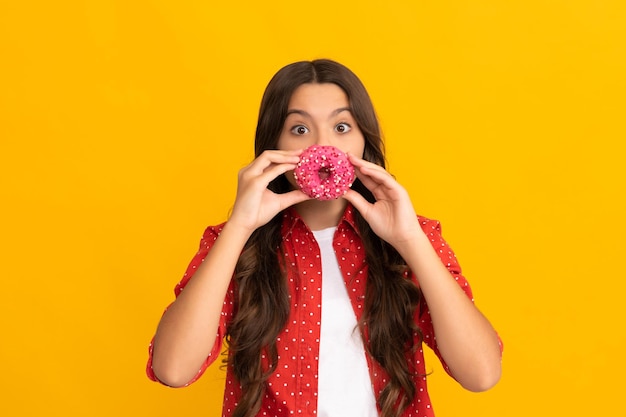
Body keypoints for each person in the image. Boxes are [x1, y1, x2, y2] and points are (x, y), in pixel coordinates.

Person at [147, 59, 503, 417]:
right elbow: (173, 369)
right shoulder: (236, 244)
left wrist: (409, 239)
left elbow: (481, 373)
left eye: (342, 126)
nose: (323, 146)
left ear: (364, 140)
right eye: (300, 129)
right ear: (274, 145)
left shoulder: (413, 237)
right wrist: (239, 226)